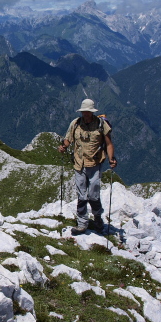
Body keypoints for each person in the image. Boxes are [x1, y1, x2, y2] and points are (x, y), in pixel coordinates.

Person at [58, 98, 117, 235]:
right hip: (79, 164)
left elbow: (108, 144)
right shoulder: (76, 124)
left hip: (94, 164)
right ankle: (82, 224)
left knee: (93, 195)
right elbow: (68, 139)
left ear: (92, 112)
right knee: (82, 196)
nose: (86, 114)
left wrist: (111, 159)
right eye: (84, 111)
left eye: (88, 112)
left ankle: (97, 219)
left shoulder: (101, 125)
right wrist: (64, 146)